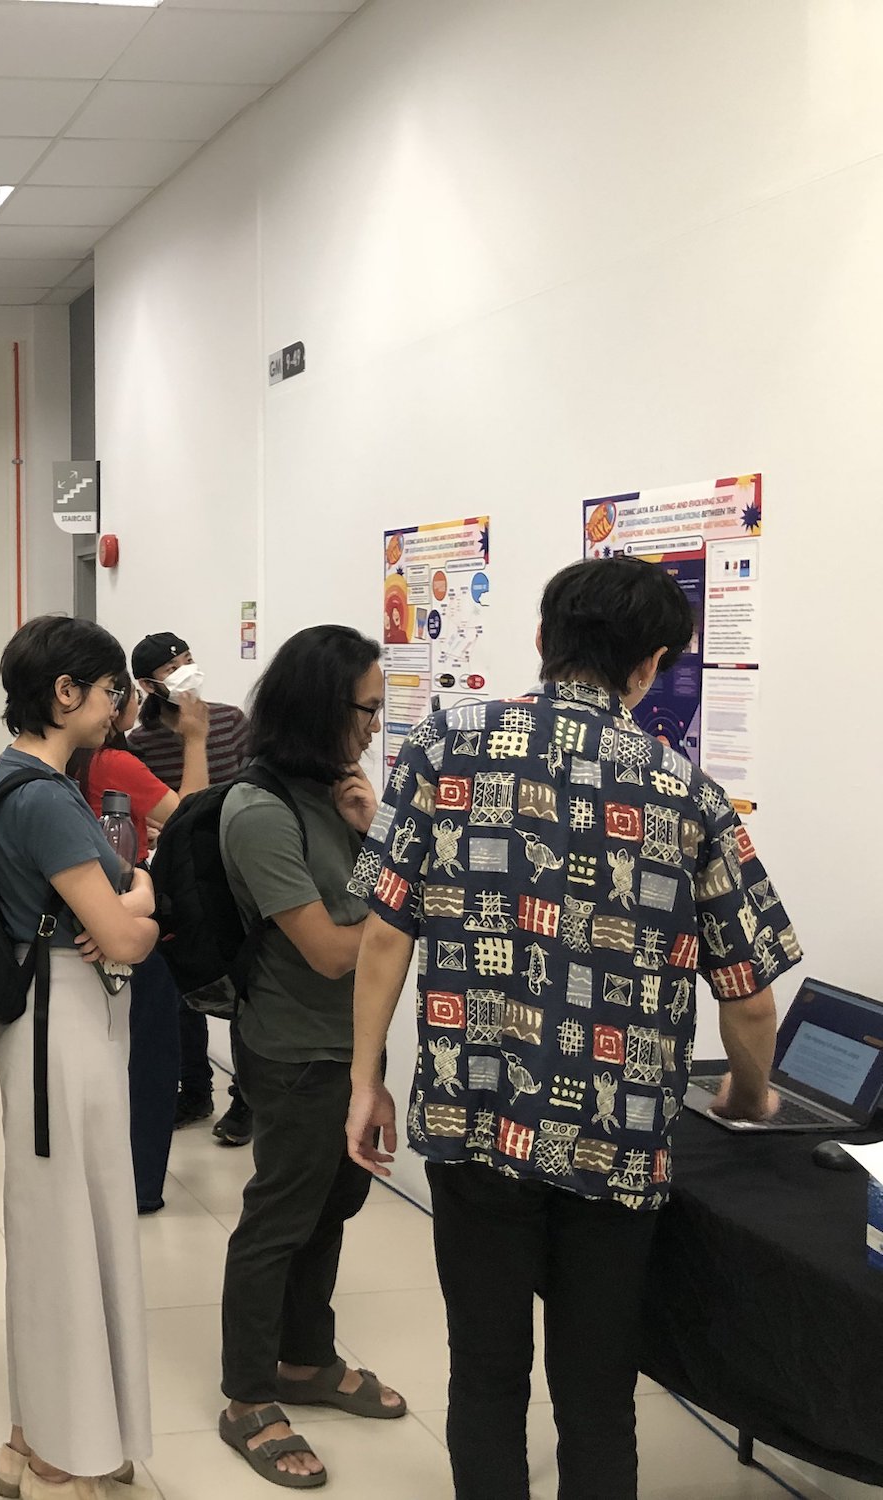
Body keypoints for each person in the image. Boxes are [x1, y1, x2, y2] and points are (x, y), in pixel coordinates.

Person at [345, 556, 798, 1500]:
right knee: (598, 1394)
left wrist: (365, 1078)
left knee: (485, 1371)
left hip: (474, 1118)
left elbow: (385, 930)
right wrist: (749, 1094)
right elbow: (749, 997)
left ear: (545, 640)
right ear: (651, 664)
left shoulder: (443, 743)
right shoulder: (688, 795)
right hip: (615, 1137)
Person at [213, 626, 405, 1489]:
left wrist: (375, 835)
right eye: (367, 708)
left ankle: (307, 1358)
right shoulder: (259, 810)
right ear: (326, 707)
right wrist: (397, 877)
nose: (375, 726)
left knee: (333, 1205)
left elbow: (368, 919)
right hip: (293, 1051)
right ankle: (249, 1393)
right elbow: (332, 950)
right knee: (279, 1220)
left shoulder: (338, 793)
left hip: (349, 1046)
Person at [0, 616, 158, 1500]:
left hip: (52, 1019)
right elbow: (124, 936)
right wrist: (145, 903)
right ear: (65, 693)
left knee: (60, 1223)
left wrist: (125, 912)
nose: (117, 705)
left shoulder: (18, 777)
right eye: (108, 689)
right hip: (62, 1025)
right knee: (63, 1228)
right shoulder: (46, 796)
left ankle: (39, 1432)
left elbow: (112, 922)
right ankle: (57, 1445)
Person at [72, 673, 191, 1214]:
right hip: (124, 923)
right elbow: (190, 816)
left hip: (77, 932)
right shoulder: (115, 762)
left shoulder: (57, 769)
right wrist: (196, 739)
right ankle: (142, 1184)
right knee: (149, 1063)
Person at [128, 631, 253, 1142]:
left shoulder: (230, 722)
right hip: (180, 878)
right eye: (171, 666)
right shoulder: (141, 744)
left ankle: (246, 1098)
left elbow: (252, 786)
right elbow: (166, 812)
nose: (185, 671)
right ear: (147, 685)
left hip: (237, 870)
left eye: (189, 660)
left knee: (249, 986)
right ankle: (194, 1088)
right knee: (185, 986)